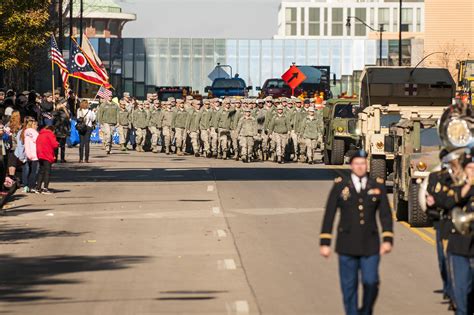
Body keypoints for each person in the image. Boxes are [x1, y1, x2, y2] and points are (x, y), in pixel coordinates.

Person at [320, 150, 393, 315]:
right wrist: (325, 242)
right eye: (357, 164)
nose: (360, 167)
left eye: (363, 164)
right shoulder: (340, 185)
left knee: (371, 282)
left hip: (371, 245)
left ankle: (366, 311)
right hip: (347, 245)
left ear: (366, 165)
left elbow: (385, 214)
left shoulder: (377, 185)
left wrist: (387, 238)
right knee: (349, 287)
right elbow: (329, 214)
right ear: (351, 165)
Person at [447, 150, 474, 315]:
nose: (473, 171)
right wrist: (468, 185)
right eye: (470, 168)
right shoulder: (456, 187)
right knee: (462, 293)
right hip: (460, 248)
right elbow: (450, 202)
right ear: (464, 170)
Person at [35, 125, 58, 194]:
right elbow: (54, 145)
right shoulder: (50, 134)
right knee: (47, 172)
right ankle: (45, 188)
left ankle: (38, 187)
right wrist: (57, 143)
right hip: (47, 154)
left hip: (40, 155)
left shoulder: (40, 134)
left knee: (41, 171)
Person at [22, 118, 39, 193]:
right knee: (35, 171)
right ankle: (31, 186)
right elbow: (37, 141)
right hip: (35, 154)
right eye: (35, 125)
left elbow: (26, 144)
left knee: (29, 171)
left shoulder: (26, 133)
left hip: (29, 154)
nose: (37, 126)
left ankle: (27, 185)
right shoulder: (34, 133)